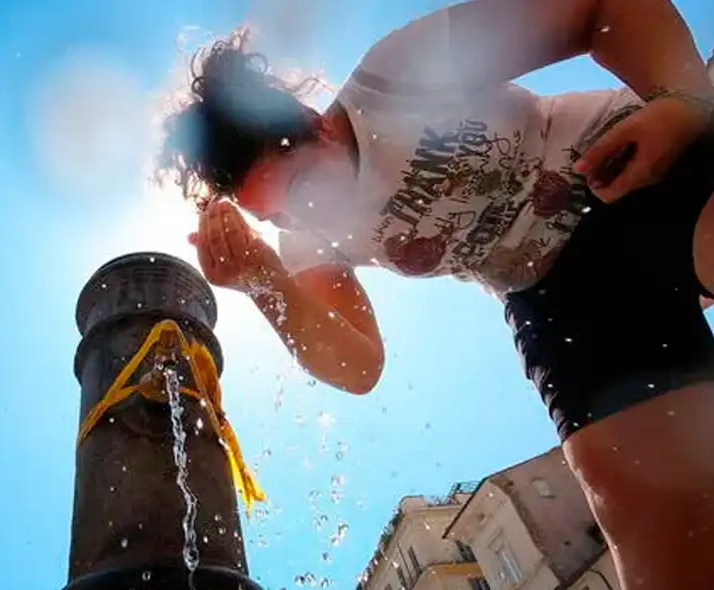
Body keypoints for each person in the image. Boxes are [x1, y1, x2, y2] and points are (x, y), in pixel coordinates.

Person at [155, 0, 714, 587]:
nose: (306, 216)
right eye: (280, 214)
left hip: (626, 164)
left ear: (310, 122)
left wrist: (682, 104)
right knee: (627, 484)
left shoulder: (397, 74)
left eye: (305, 187)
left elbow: (599, 9)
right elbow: (357, 364)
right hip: (555, 291)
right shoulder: (305, 239)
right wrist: (265, 281)